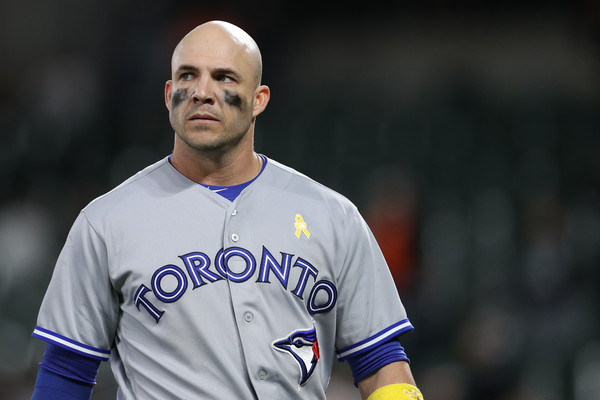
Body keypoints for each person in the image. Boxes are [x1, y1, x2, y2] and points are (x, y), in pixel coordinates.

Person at [30, 20, 423, 400]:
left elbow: (380, 361)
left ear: (259, 99)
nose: (202, 91)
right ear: (168, 94)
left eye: (224, 77)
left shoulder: (333, 216)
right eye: (187, 76)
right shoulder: (105, 223)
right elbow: (66, 372)